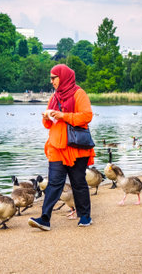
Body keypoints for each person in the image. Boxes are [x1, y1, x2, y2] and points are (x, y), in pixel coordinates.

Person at [28, 64, 95, 231]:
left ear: (63, 77)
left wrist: (63, 115)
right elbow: (47, 124)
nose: (51, 81)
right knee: (54, 184)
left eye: (53, 78)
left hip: (76, 148)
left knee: (78, 182)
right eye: (50, 78)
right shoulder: (55, 97)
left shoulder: (79, 94)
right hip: (57, 147)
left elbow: (87, 116)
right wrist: (47, 116)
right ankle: (45, 219)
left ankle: (85, 216)